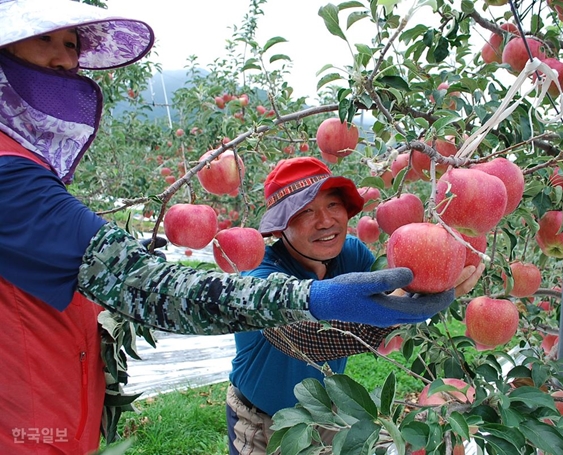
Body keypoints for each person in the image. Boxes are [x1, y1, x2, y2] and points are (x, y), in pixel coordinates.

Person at [0, 1, 459, 454]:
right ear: (278, 229)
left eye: (71, 44)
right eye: (45, 38)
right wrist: (319, 299)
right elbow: (146, 285)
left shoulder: (350, 256)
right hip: (43, 430)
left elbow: (391, 280)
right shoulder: (10, 176)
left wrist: (444, 267)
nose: (66, 58)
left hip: (48, 421)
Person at [227, 157, 484, 455]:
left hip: (326, 410)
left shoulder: (352, 253)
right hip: (259, 419)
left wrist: (435, 273)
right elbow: (306, 337)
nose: (325, 221)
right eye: (306, 211)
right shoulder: (259, 276)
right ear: (279, 227)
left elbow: (394, 292)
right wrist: (394, 315)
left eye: (333, 205)